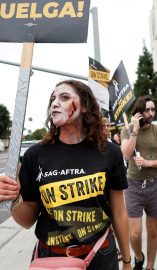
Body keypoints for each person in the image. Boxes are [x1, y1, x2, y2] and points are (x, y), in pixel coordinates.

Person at [0, 80, 132, 270]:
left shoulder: (109, 152)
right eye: (53, 99)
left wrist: (127, 262)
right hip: (51, 258)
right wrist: (13, 198)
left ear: (85, 106)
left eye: (64, 97)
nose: (54, 104)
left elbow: (119, 212)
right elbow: (28, 220)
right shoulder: (35, 155)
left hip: (100, 255)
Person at [121, 96, 157, 270]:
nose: (151, 113)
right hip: (133, 186)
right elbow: (126, 155)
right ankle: (139, 256)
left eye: (153, 109)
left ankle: (150, 267)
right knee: (135, 234)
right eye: (147, 110)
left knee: (152, 231)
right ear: (139, 112)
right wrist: (135, 130)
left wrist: (149, 163)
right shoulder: (127, 130)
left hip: (155, 185)